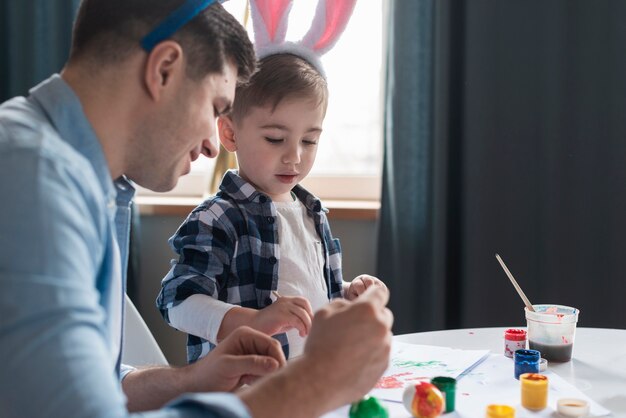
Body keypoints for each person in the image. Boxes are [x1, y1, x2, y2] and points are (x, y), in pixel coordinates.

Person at [0, 0, 393, 417]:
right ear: (164, 69)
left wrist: (193, 379)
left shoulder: (76, 176)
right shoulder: (31, 180)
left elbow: (98, 387)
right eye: (214, 106)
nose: (211, 144)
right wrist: (314, 381)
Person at [157, 52, 388, 363]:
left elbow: (311, 292)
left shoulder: (311, 212)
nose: (294, 156)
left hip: (309, 380)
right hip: (244, 392)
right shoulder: (218, 218)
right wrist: (252, 322)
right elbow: (177, 302)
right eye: (275, 138)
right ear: (229, 133)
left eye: (309, 141)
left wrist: (347, 292)